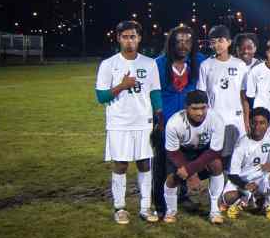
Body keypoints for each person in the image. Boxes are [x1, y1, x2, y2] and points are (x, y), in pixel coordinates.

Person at [95, 20, 163, 224]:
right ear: (118, 38)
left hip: (143, 122)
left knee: (144, 164)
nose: (129, 40)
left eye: (132, 36)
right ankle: (120, 207)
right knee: (121, 164)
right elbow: (101, 97)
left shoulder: (149, 63)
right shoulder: (109, 64)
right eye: (125, 36)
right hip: (119, 123)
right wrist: (122, 86)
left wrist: (159, 115)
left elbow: (155, 92)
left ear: (139, 38)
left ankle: (145, 207)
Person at [153, 25, 207, 217]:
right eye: (179, 41)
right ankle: (160, 204)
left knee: (183, 161)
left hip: (188, 123)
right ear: (171, 43)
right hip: (164, 122)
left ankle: (181, 197)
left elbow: (220, 65)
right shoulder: (159, 63)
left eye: (187, 41)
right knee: (162, 165)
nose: (183, 45)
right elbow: (153, 92)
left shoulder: (198, 61)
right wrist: (158, 117)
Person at [162, 90, 226, 224]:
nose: (200, 113)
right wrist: (190, 174)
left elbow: (215, 151)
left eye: (203, 108)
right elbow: (172, 152)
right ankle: (171, 210)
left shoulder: (216, 119)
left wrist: (191, 170)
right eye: (195, 109)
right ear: (186, 108)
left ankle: (214, 210)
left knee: (217, 164)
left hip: (204, 153)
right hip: (181, 153)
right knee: (172, 179)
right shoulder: (174, 123)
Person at [223, 107, 270, 221]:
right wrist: (244, 185)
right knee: (229, 198)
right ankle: (242, 201)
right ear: (249, 123)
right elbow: (233, 174)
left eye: (262, 123)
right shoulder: (242, 144)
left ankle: (267, 206)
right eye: (254, 122)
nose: (258, 126)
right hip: (242, 179)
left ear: (268, 124)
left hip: (261, 177)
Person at [198, 26, 249, 164]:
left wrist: (246, 120)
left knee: (237, 160)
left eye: (220, 41)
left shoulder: (239, 65)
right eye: (213, 42)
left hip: (236, 120)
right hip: (215, 119)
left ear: (229, 42)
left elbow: (244, 95)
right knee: (216, 162)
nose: (217, 45)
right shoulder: (206, 65)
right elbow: (202, 96)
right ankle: (217, 186)